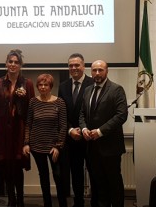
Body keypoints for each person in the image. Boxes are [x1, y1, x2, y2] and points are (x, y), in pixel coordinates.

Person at [79, 60, 128, 207]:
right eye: (94, 70)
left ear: (107, 71)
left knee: (114, 184)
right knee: (99, 185)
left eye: (100, 70)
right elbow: (82, 114)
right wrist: (83, 129)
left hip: (110, 148)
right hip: (92, 148)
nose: (97, 73)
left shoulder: (116, 89)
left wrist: (100, 132)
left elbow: (121, 115)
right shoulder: (87, 90)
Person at [0, 49, 35, 207]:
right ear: (6, 63)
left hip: (20, 130)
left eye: (16, 62)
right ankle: (11, 199)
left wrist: (29, 136)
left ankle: (20, 200)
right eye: (10, 61)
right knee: (7, 165)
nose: (13, 64)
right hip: (2, 130)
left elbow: (31, 110)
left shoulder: (27, 83)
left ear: (21, 65)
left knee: (17, 165)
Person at [58, 53, 98, 207]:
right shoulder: (63, 86)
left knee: (94, 173)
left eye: (77, 65)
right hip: (72, 138)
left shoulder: (93, 83)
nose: (74, 68)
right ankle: (78, 202)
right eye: (71, 65)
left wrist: (84, 129)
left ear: (84, 66)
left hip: (90, 137)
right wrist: (70, 131)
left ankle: (95, 202)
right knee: (76, 173)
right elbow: (62, 113)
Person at [23, 74, 68, 207]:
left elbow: (63, 125)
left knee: (58, 176)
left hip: (54, 147)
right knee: (43, 176)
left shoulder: (59, 102)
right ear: (37, 87)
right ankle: (47, 203)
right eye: (40, 85)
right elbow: (28, 124)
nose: (43, 87)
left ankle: (62, 204)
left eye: (46, 85)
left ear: (51, 86)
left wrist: (58, 146)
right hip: (36, 146)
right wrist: (26, 143)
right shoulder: (33, 102)